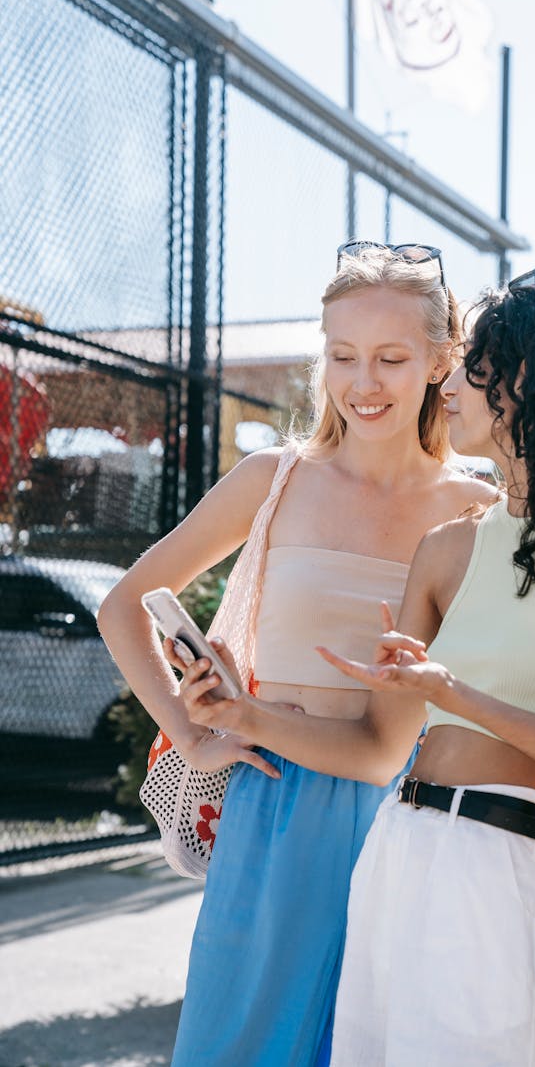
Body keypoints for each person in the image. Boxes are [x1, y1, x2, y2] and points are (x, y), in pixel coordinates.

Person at [179, 269, 535, 1066]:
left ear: (524, 378)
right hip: (398, 852)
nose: (449, 379)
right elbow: (382, 744)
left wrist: (457, 695)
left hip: (502, 863)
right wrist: (237, 714)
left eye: (472, 362)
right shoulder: (450, 545)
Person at [96, 241, 496, 1067]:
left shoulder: (480, 508)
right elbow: (123, 604)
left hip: (413, 817)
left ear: (439, 360)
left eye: (390, 357)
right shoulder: (274, 479)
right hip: (274, 810)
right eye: (342, 355)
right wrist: (192, 728)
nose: (363, 382)